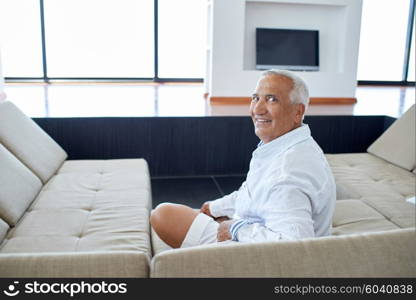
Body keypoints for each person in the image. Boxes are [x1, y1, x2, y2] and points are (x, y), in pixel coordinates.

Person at [150, 69, 336, 248]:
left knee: (163, 215)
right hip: (254, 227)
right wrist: (216, 208)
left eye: (272, 99)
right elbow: (254, 194)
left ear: (297, 112)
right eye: (255, 98)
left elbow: (293, 246)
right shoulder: (289, 146)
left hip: (253, 252)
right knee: (174, 213)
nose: (258, 109)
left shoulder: (287, 173)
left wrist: (234, 228)